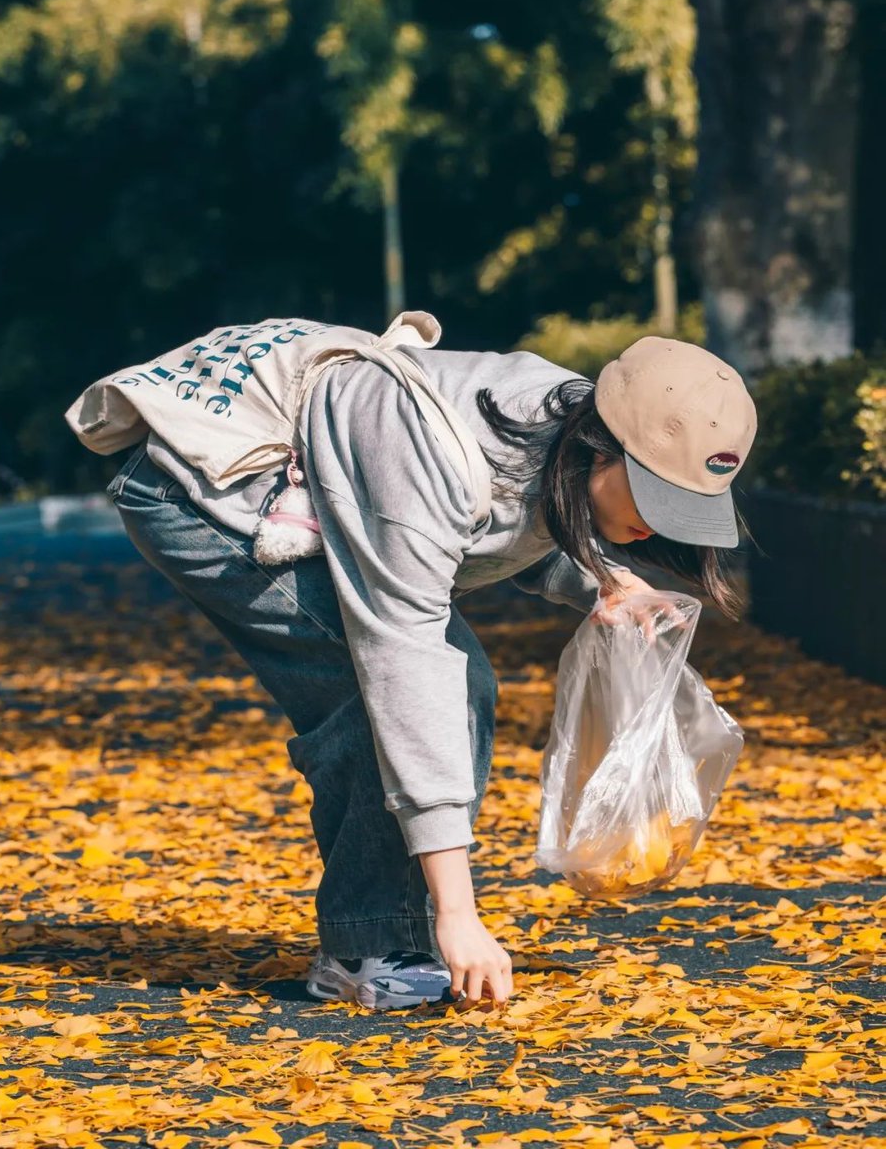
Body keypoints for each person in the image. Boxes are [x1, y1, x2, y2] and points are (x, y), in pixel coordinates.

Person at [103, 329, 757, 1012]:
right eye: (656, 495)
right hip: (201, 491)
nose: (663, 524)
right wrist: (457, 913)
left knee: (451, 689)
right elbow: (401, 660)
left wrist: (605, 581)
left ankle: (385, 930)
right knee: (377, 696)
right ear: (602, 447)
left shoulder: (561, 432)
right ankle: (371, 945)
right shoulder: (433, 450)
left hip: (332, 485)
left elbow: (512, 522)